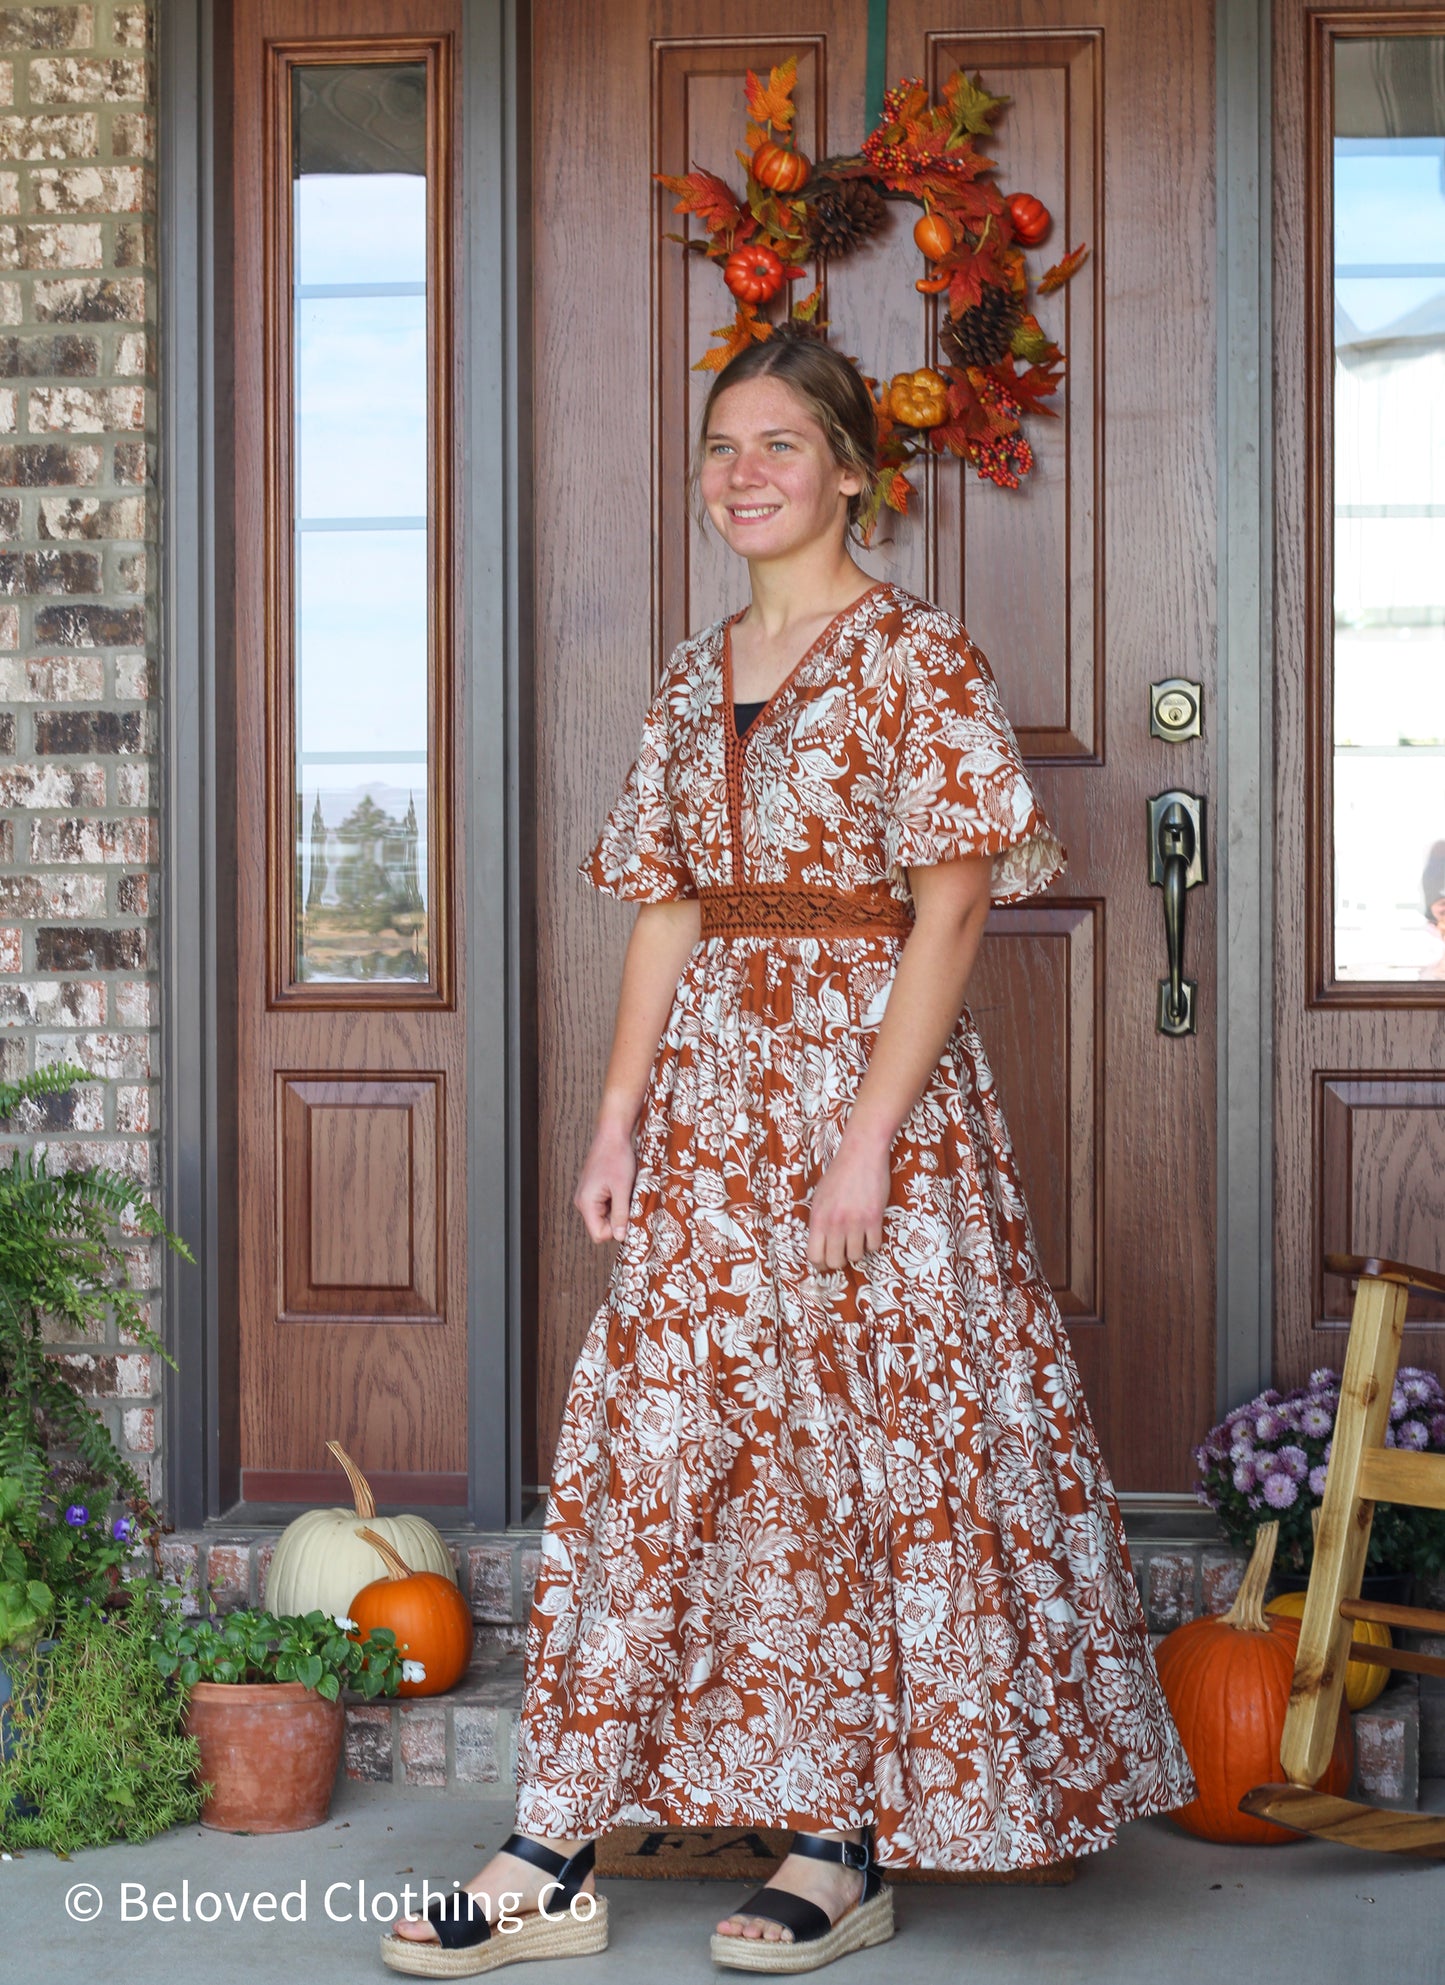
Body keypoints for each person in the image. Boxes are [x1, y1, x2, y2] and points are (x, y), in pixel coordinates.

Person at [381, 332, 1197, 1979]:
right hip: (707, 1108)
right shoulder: (694, 677)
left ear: (847, 471)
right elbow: (669, 904)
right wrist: (616, 1118)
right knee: (663, 1435)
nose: (741, 471)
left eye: (776, 442)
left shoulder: (916, 658)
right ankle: (555, 1843)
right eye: (719, 446)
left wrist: (865, 1145)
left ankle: (837, 1848)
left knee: (853, 1442)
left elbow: (954, 907)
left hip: (866, 1104)